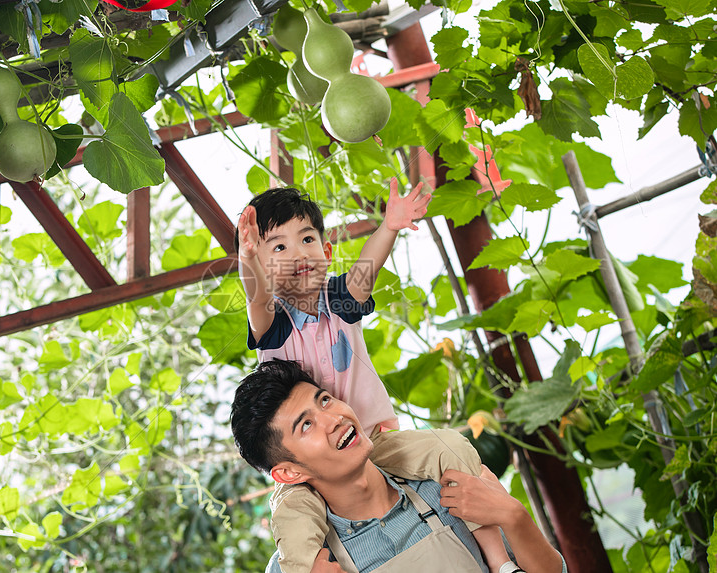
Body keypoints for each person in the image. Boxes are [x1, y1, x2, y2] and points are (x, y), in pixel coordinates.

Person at [235, 182, 510, 572]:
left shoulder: (339, 300)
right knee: (292, 525)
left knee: (449, 447)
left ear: (326, 253)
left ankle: (501, 562)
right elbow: (255, 298)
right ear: (262, 268)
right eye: (278, 247)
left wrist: (390, 227)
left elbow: (367, 271)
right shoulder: (272, 325)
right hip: (306, 470)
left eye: (308, 238)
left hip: (374, 440)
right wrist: (247, 260)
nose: (297, 252)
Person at [230, 360, 568, 573]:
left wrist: (514, 515)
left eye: (325, 400)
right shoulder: (303, 565)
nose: (334, 419)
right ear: (289, 473)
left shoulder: (450, 490)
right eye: (306, 426)